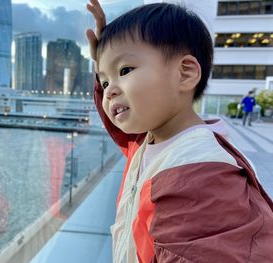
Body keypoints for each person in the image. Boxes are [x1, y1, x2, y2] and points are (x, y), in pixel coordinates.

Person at [86, 1, 273, 262]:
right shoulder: (149, 140)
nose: (109, 90)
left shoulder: (200, 175)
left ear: (185, 73)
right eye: (105, 81)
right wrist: (100, 67)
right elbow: (119, 126)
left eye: (124, 70)